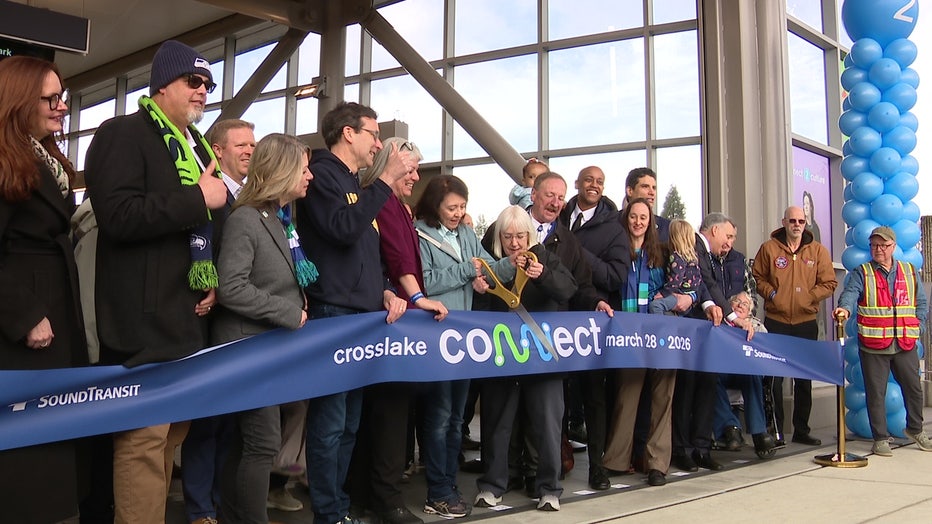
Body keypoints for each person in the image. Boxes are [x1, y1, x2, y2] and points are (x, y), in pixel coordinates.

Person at [84, 40, 228, 524]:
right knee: (144, 440)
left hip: (183, 316)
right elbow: (119, 215)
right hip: (142, 322)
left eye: (209, 84)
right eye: (194, 81)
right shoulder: (122, 132)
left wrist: (207, 272)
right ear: (162, 83)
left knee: (170, 436)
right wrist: (198, 198)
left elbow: (199, 226)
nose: (203, 91)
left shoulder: (195, 145)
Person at [294, 102, 414, 524]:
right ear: (349, 133)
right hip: (333, 311)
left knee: (348, 424)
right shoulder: (323, 175)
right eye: (373, 135)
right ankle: (327, 511)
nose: (379, 144)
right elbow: (342, 229)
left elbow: (365, 252)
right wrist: (383, 181)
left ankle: (339, 506)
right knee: (330, 423)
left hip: (362, 313)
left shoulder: (355, 182)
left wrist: (382, 290)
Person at [0, 55, 88, 524]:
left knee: (48, 444)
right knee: (26, 454)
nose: (61, 107)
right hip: (21, 333)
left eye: (63, 97)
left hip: (52, 317)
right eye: (50, 98)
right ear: (17, 101)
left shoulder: (42, 156)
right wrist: (23, 315)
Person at [214, 133, 314, 524]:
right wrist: (289, 311)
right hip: (246, 347)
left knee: (250, 444)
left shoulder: (278, 219)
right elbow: (231, 287)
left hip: (265, 350)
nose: (309, 176)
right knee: (262, 443)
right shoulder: (246, 219)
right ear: (282, 171)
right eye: (303, 169)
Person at [347, 137, 447, 523]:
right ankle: (385, 499)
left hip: (387, 312)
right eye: (411, 169)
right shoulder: (382, 200)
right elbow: (397, 258)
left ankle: (364, 495)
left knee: (377, 416)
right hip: (391, 321)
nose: (416, 176)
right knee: (387, 416)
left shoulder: (395, 205)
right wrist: (417, 297)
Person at [414, 174, 516, 518]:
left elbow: (486, 267)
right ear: (434, 206)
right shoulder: (420, 235)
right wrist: (464, 271)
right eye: (451, 207)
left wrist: (514, 264)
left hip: (464, 342)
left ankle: (449, 484)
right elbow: (425, 282)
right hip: (438, 337)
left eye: (462, 207)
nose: (458, 213)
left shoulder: (467, 235)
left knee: (458, 418)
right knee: (440, 416)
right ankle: (437, 488)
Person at [473, 205, 578, 513]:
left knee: (547, 424)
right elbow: (478, 309)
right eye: (508, 237)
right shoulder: (491, 264)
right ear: (499, 239)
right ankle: (492, 485)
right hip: (503, 356)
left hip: (542, 357)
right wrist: (479, 289)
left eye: (520, 236)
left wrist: (543, 275)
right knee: (496, 423)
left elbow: (568, 289)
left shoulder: (545, 258)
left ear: (529, 235)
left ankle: (549, 488)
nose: (515, 243)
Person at [182, 118, 256, 524]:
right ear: (218, 150)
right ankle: (199, 509)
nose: (249, 150)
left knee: (233, 422)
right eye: (240, 144)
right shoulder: (205, 195)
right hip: (209, 319)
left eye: (252, 144)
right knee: (207, 422)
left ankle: (219, 501)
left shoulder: (252, 198)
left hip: (242, 324)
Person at [558, 165, 629, 490]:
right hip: (556, 318)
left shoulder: (614, 229)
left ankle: (597, 467)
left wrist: (576, 250)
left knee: (594, 397)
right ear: (577, 183)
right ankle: (558, 456)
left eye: (600, 181)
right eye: (589, 180)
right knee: (555, 393)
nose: (594, 185)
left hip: (591, 322)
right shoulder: (559, 216)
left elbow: (615, 277)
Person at [834, 226, 932, 456]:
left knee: (914, 389)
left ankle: (916, 429)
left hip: (904, 342)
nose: (878, 249)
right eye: (874, 245)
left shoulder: (909, 271)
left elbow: (921, 303)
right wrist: (844, 309)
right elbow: (849, 293)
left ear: (893, 247)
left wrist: (919, 327)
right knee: (876, 392)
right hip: (874, 343)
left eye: (883, 245)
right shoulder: (863, 271)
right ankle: (880, 438)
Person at [602, 197, 675, 487]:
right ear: (626, 218)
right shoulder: (617, 251)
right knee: (626, 396)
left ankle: (657, 464)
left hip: (660, 334)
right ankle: (617, 460)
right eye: (634, 216)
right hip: (628, 335)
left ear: (650, 221)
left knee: (663, 398)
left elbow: (683, 284)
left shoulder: (662, 253)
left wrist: (670, 297)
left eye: (644, 216)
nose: (638, 221)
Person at [671, 213, 749, 474]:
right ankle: (682, 450)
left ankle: (701, 448)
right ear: (714, 231)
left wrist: (719, 310)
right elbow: (706, 284)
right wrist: (733, 316)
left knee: (706, 387)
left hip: (708, 330)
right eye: (728, 236)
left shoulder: (711, 255)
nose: (729, 242)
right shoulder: (692, 245)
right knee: (687, 389)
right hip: (689, 328)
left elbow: (708, 287)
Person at [752, 206, 836, 446]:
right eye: (792, 220)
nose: (797, 224)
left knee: (803, 379)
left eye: (801, 221)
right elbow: (757, 277)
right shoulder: (769, 249)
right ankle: (776, 430)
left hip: (805, 322)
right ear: (784, 222)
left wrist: (809, 297)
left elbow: (829, 282)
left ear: (806, 223)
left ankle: (801, 429)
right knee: (773, 378)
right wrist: (773, 294)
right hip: (776, 321)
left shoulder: (817, 251)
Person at [713, 292, 777, 459]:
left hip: (745, 371)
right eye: (736, 302)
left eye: (745, 304)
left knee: (753, 375)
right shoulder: (718, 322)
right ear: (729, 306)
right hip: (722, 370)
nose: (740, 305)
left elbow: (766, 355)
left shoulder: (758, 327)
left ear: (750, 312)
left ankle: (759, 433)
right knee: (711, 377)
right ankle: (730, 428)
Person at [649, 219, 702, 314]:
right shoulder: (692, 256)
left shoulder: (677, 257)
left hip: (680, 294)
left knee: (655, 306)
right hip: (690, 296)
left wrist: (663, 293)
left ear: (673, 237)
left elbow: (676, 279)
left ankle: (660, 328)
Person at [624, 167, 670, 242]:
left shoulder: (667, 228)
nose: (652, 192)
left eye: (654, 188)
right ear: (630, 191)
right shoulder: (612, 224)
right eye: (645, 187)